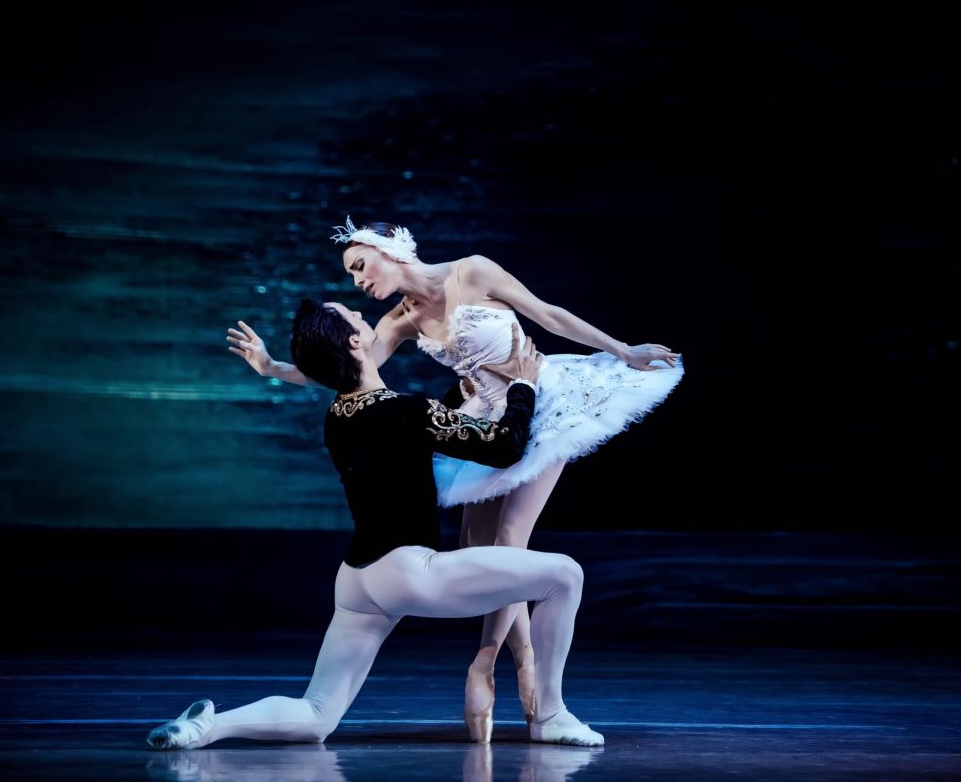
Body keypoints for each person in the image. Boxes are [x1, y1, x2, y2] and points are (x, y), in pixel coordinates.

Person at [227, 217, 682, 739]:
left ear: (390, 251)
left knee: (511, 539)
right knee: (475, 543)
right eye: (351, 276)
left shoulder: (473, 272)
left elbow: (549, 315)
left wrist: (624, 351)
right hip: (487, 417)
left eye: (359, 267)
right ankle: (506, 674)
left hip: (542, 401)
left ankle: (504, 672)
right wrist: (273, 368)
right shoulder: (400, 319)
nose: (357, 283)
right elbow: (339, 367)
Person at [148, 300, 603, 749]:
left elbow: (414, 427)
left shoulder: (339, 417)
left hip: (357, 582)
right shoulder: (403, 411)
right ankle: (550, 716)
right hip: (409, 572)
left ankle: (206, 728)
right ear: (354, 341)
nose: (365, 318)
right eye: (355, 318)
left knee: (317, 714)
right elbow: (504, 447)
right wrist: (524, 382)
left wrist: (274, 368)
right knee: (565, 575)